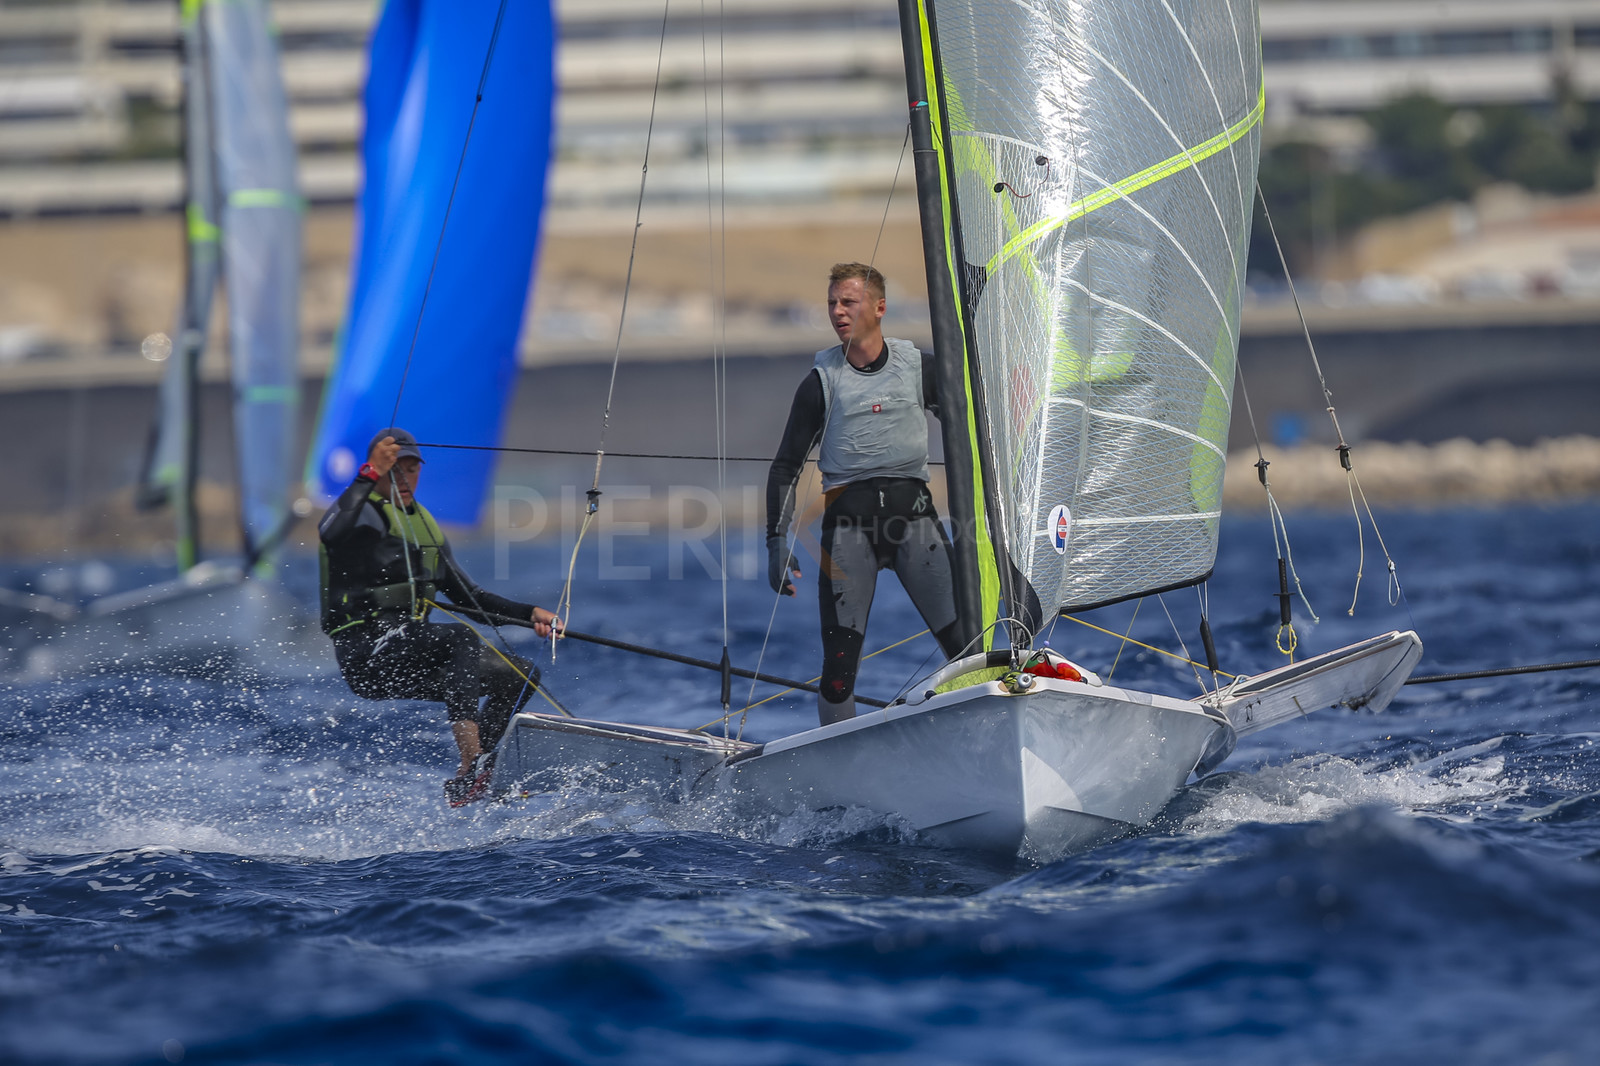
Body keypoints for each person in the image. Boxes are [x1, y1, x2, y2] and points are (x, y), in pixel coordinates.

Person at [766, 263, 968, 726]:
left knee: (968, 647)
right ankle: (842, 762)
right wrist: (776, 542)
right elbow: (785, 467)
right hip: (847, 533)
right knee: (838, 673)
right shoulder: (820, 382)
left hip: (915, 526)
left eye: (848, 302)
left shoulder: (920, 367)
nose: (837, 311)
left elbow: (968, 433)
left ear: (879, 308)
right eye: (832, 302)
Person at [318, 427, 563, 805]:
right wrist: (366, 474)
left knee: (521, 673)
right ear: (377, 468)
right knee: (460, 638)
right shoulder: (360, 514)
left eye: (411, 469)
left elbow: (472, 599)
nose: (403, 478)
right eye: (393, 469)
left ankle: (472, 778)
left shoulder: (424, 528)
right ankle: (471, 757)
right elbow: (330, 531)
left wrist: (529, 614)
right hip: (366, 654)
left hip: (410, 652)